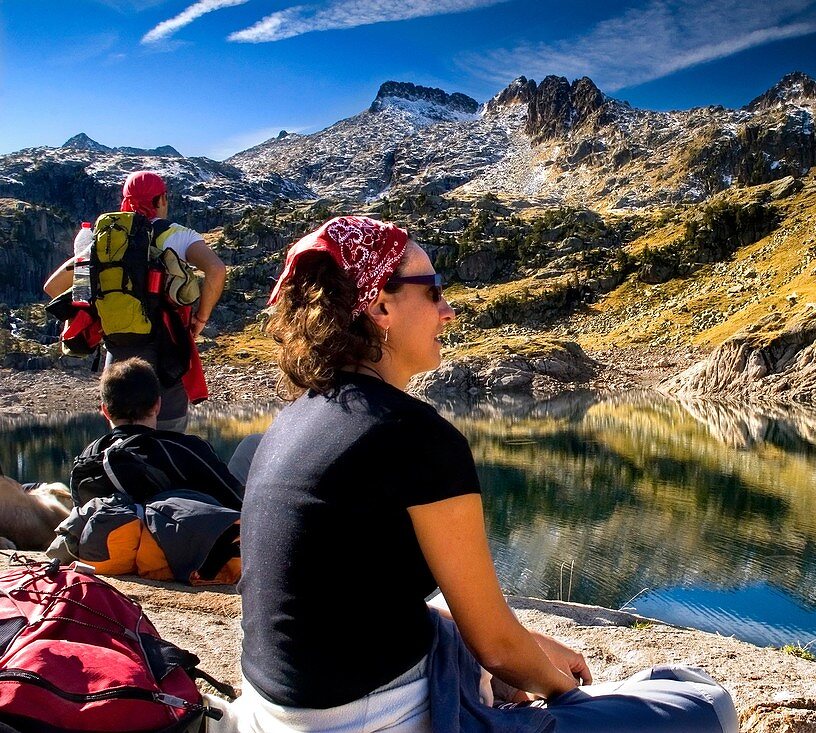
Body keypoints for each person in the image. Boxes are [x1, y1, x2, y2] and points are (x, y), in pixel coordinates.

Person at [235, 216, 736, 733]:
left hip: (273, 715)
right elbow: (496, 646)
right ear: (380, 306)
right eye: (432, 292)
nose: (448, 312)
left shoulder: (292, 420)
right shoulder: (413, 435)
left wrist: (532, 646)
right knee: (706, 705)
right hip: (369, 719)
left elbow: (349, 604)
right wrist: (564, 694)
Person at [43, 170, 227, 432]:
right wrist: (202, 317)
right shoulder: (177, 234)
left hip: (118, 362)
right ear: (161, 199)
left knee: (125, 449)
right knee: (168, 447)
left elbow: (52, 287)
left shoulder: (106, 239)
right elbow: (216, 270)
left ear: (125, 200)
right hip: (166, 358)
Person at [76, 357, 244, 511]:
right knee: (250, 445)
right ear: (157, 405)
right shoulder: (186, 449)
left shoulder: (89, 458)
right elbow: (238, 501)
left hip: (109, 543)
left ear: (105, 411)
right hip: (183, 543)